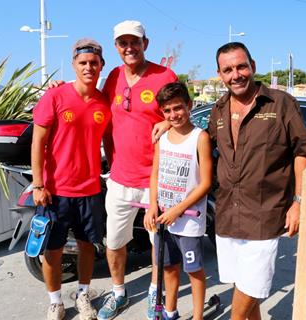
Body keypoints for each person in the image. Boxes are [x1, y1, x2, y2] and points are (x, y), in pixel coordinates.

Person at [208, 42, 306, 320]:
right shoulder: (217, 110)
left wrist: (299, 202)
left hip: (265, 213)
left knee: (252, 286)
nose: (236, 75)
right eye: (228, 70)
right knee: (240, 282)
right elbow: (202, 147)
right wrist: (170, 125)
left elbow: (301, 152)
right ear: (220, 74)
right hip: (228, 213)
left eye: (241, 66)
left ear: (253, 66)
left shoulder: (281, 103)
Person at [97, 20, 178, 320]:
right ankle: (118, 292)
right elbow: (94, 105)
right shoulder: (114, 77)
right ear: (116, 47)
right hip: (120, 177)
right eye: (123, 43)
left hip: (155, 179)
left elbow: (183, 109)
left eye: (135, 42)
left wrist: (168, 121)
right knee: (115, 241)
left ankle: (155, 292)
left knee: (159, 241)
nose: (129, 47)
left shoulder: (164, 75)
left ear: (146, 43)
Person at [31, 38, 110, 320]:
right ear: (74, 65)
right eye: (83, 63)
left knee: (88, 247)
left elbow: (114, 139)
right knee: (53, 251)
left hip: (89, 189)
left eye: (94, 62)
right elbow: (37, 142)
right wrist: (39, 185)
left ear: (102, 65)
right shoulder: (55, 96)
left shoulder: (104, 101)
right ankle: (55, 302)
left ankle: (83, 295)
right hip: (56, 191)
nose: (89, 67)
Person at [144, 82, 212, 320]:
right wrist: (152, 204)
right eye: (167, 111)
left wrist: (179, 210)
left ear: (189, 106)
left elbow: (205, 183)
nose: (173, 115)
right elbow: (155, 174)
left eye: (178, 108)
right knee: (168, 268)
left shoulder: (199, 137)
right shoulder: (162, 138)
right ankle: (170, 312)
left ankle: (197, 316)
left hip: (189, 222)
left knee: (193, 270)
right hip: (163, 219)